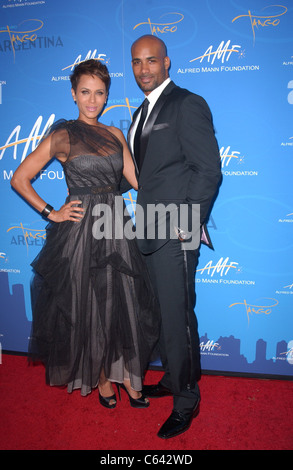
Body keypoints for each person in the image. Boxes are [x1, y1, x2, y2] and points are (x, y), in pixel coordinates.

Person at [11, 59, 160, 409]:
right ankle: (103, 377)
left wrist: (175, 191)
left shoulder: (115, 134)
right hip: (79, 232)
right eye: (85, 92)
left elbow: (137, 182)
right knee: (91, 304)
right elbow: (19, 178)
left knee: (123, 301)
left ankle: (128, 376)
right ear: (74, 95)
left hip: (116, 224)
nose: (92, 100)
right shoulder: (63, 135)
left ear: (107, 96)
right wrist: (53, 212)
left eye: (99, 93)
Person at [128, 35, 222, 438]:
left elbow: (209, 171)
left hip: (175, 231)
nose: (144, 69)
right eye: (136, 62)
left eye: (151, 61)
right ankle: (171, 378)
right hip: (146, 229)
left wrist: (188, 222)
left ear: (168, 63)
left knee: (178, 317)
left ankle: (187, 400)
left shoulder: (187, 104)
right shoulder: (138, 113)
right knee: (163, 315)